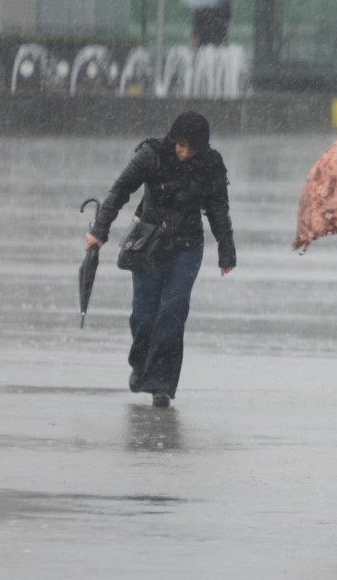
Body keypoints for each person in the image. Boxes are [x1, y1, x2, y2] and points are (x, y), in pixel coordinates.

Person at [85, 112, 236, 408]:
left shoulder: (210, 164)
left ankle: (162, 383)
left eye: (190, 148)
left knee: (173, 312)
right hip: (147, 244)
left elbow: (218, 208)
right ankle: (141, 364)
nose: (183, 153)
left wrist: (226, 251)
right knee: (144, 314)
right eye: (179, 145)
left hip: (187, 247)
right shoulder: (151, 154)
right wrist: (99, 231)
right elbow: (120, 190)